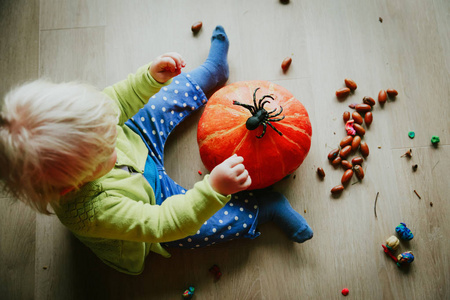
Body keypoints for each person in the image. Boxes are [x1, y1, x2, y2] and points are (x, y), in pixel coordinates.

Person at [0, 26, 313, 275]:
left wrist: (147, 79)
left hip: (138, 143)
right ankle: (264, 210)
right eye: (106, 143)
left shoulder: (89, 123)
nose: (112, 131)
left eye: (107, 125)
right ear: (73, 184)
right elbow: (163, 223)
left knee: (156, 104)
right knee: (196, 229)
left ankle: (210, 75)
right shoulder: (94, 213)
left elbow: (117, 102)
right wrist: (213, 189)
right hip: (153, 205)